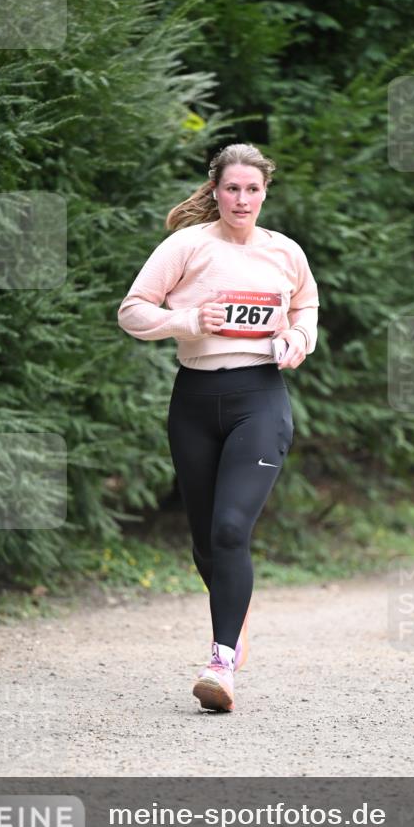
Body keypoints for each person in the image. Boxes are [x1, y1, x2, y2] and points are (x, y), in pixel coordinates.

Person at [117, 143, 319, 713]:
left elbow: (306, 308)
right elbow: (133, 311)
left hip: (260, 397)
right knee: (206, 537)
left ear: (264, 193)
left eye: (252, 189)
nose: (242, 199)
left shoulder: (285, 253)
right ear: (215, 191)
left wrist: (297, 340)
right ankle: (238, 613)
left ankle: (221, 663)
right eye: (232, 188)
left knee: (231, 529)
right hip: (195, 399)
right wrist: (184, 320)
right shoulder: (186, 246)